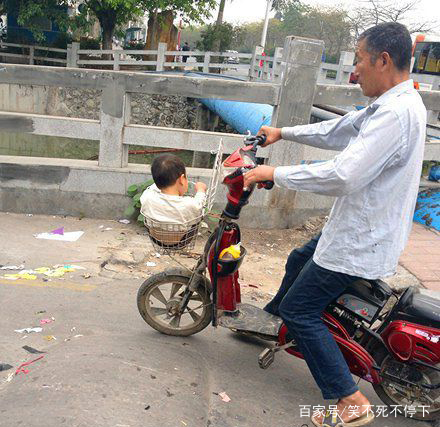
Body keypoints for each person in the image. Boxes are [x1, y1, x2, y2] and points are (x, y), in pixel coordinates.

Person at [244, 22, 426, 427]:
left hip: (358, 240)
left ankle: (349, 399)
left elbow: (344, 175)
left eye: (359, 60)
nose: (354, 71)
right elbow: (339, 129)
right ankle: (273, 323)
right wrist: (282, 131)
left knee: (302, 309)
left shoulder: (395, 114)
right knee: (297, 257)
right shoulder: (393, 103)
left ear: (383, 60)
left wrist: (274, 174)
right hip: (357, 228)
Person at [140, 154, 207, 228]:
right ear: (181, 179)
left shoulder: (147, 197)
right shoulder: (188, 204)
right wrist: (201, 190)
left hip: (155, 237)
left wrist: (161, 178)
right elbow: (200, 204)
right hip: (182, 238)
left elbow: (153, 187)